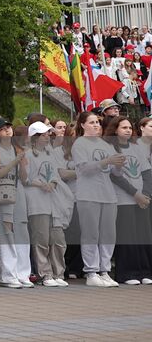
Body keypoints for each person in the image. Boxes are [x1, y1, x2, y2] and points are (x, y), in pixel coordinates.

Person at [72, 110, 120, 286]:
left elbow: (115, 172)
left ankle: (104, 270)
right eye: (91, 122)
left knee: (108, 234)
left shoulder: (106, 145)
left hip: (108, 194)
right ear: (83, 125)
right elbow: (85, 169)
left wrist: (119, 164)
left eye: (98, 123)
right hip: (88, 194)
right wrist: (107, 162)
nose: (96, 125)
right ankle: (91, 272)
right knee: (91, 233)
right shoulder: (79, 144)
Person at [24, 121, 72, 286]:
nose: (47, 137)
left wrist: (52, 182)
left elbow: (56, 173)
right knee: (41, 239)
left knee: (58, 239)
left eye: (47, 134)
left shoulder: (50, 153)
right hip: (37, 200)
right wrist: (41, 184)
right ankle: (45, 274)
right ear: (35, 137)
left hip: (53, 200)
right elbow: (26, 178)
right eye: (44, 135)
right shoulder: (27, 154)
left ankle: (59, 273)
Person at [108, 115, 152, 284]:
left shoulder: (136, 148)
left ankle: (145, 271)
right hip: (124, 199)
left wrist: (145, 195)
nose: (127, 130)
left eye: (129, 128)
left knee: (144, 236)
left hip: (142, 200)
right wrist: (136, 194)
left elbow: (147, 173)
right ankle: (128, 273)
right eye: (123, 127)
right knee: (127, 237)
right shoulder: (111, 148)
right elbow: (116, 176)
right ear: (115, 130)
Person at [0, 118, 31, 288]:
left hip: (18, 190)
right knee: (6, 231)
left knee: (22, 230)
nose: (7, 131)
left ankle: (23, 273)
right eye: (3, 129)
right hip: (3, 192)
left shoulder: (17, 148)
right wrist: (15, 161)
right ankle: (8, 274)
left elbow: (24, 177)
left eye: (9, 128)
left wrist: (21, 164)